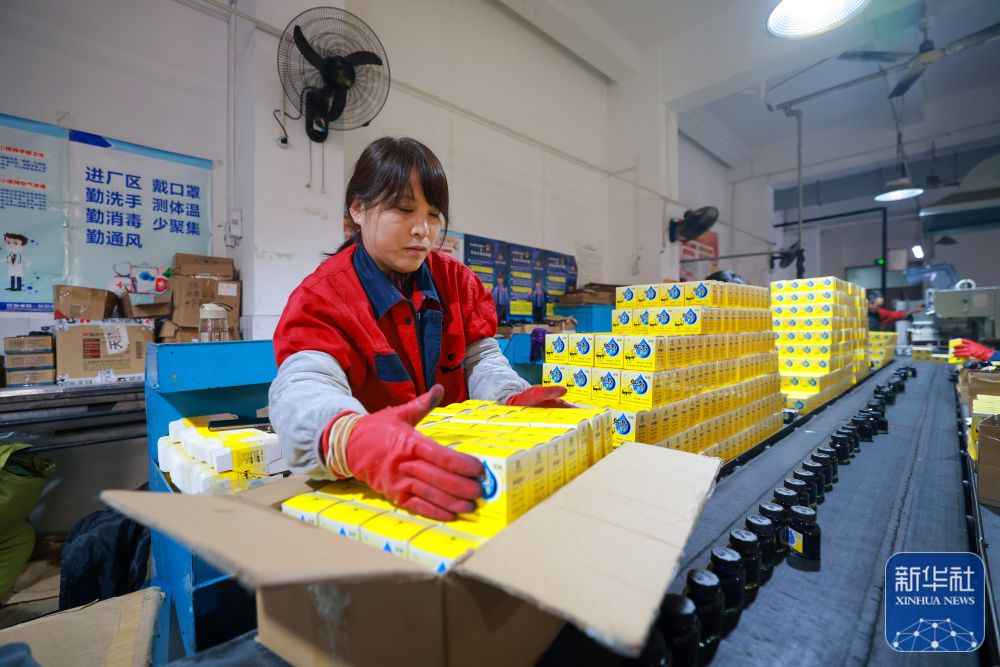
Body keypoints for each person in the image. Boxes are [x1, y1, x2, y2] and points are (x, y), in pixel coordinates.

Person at [269, 137, 569, 521]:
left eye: (433, 214)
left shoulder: (457, 283)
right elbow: (303, 385)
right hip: (368, 489)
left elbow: (480, 360)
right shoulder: (323, 297)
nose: (423, 230)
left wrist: (510, 398)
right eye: (404, 209)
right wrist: (350, 439)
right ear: (358, 208)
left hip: (456, 473)